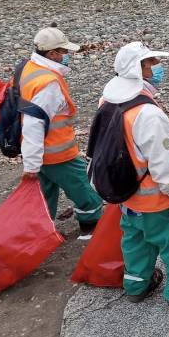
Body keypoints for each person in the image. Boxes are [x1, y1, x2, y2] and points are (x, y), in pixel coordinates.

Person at [100, 42, 169, 305]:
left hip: (126, 194)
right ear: (138, 70)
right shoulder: (148, 114)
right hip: (154, 199)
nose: (156, 67)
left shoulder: (108, 101)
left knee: (135, 240)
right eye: (150, 63)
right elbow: (162, 165)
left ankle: (136, 285)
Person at [20, 27, 103, 236]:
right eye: (63, 51)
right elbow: (34, 124)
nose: (67, 56)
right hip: (58, 155)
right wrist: (31, 165)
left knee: (45, 195)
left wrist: (32, 161)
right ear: (52, 54)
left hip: (41, 155)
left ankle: (38, 235)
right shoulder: (48, 84)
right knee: (85, 191)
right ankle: (91, 227)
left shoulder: (29, 69)